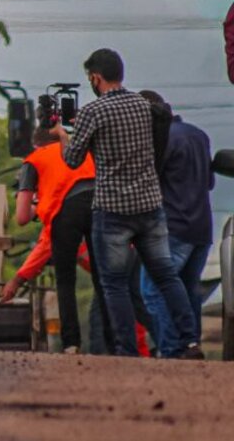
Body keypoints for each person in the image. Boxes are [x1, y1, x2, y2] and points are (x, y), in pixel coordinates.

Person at [54, 48, 202, 358]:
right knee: (166, 276)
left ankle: (126, 351)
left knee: (114, 284)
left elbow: (72, 160)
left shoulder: (94, 112)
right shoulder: (147, 106)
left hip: (113, 210)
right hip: (150, 207)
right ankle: (190, 341)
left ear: (96, 78)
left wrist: (62, 135)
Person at [0, 127, 106, 353]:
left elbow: (21, 218)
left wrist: (36, 203)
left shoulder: (34, 160)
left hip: (65, 215)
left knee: (65, 281)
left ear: (36, 145)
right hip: (100, 209)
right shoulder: (87, 153)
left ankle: (71, 344)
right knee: (103, 279)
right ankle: (116, 341)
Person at [138, 90, 214, 357]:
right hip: (203, 228)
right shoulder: (199, 135)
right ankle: (192, 345)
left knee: (152, 289)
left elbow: (151, 184)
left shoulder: (163, 141)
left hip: (173, 228)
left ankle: (172, 349)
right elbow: (209, 182)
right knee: (188, 290)